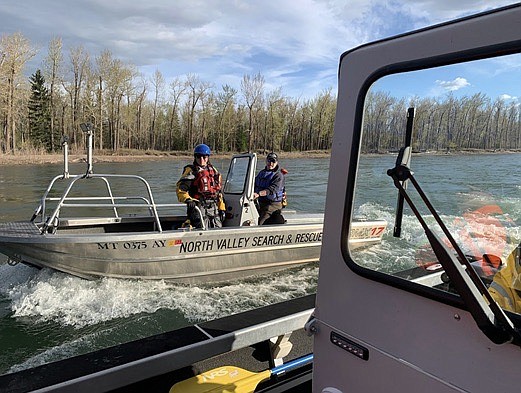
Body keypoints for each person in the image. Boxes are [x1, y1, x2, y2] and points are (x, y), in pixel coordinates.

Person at [176, 144, 226, 229]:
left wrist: (222, 208)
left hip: (213, 207)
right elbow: (180, 190)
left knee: (218, 227)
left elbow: (218, 192)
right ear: (195, 157)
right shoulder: (191, 171)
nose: (201, 159)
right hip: (198, 207)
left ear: (208, 157)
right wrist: (188, 200)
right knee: (201, 227)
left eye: (204, 157)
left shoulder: (213, 170)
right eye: (198, 157)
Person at [253, 152, 286, 225]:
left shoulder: (279, 175)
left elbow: (273, 189)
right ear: (266, 161)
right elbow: (254, 184)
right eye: (269, 161)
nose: (270, 163)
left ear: (276, 162)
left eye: (273, 161)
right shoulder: (261, 173)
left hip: (273, 205)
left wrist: (259, 194)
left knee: (260, 222)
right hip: (260, 203)